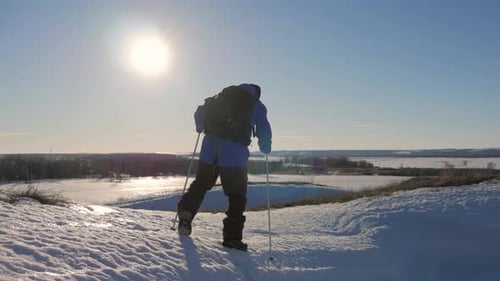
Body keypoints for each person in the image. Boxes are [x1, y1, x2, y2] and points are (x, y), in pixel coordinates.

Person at [177, 83, 272, 251]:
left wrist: (200, 127)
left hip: (209, 153)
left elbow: (200, 112)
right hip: (234, 158)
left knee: (201, 184)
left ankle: (186, 213)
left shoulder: (220, 98)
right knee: (236, 196)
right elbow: (264, 129)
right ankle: (232, 238)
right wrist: (265, 147)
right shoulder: (257, 106)